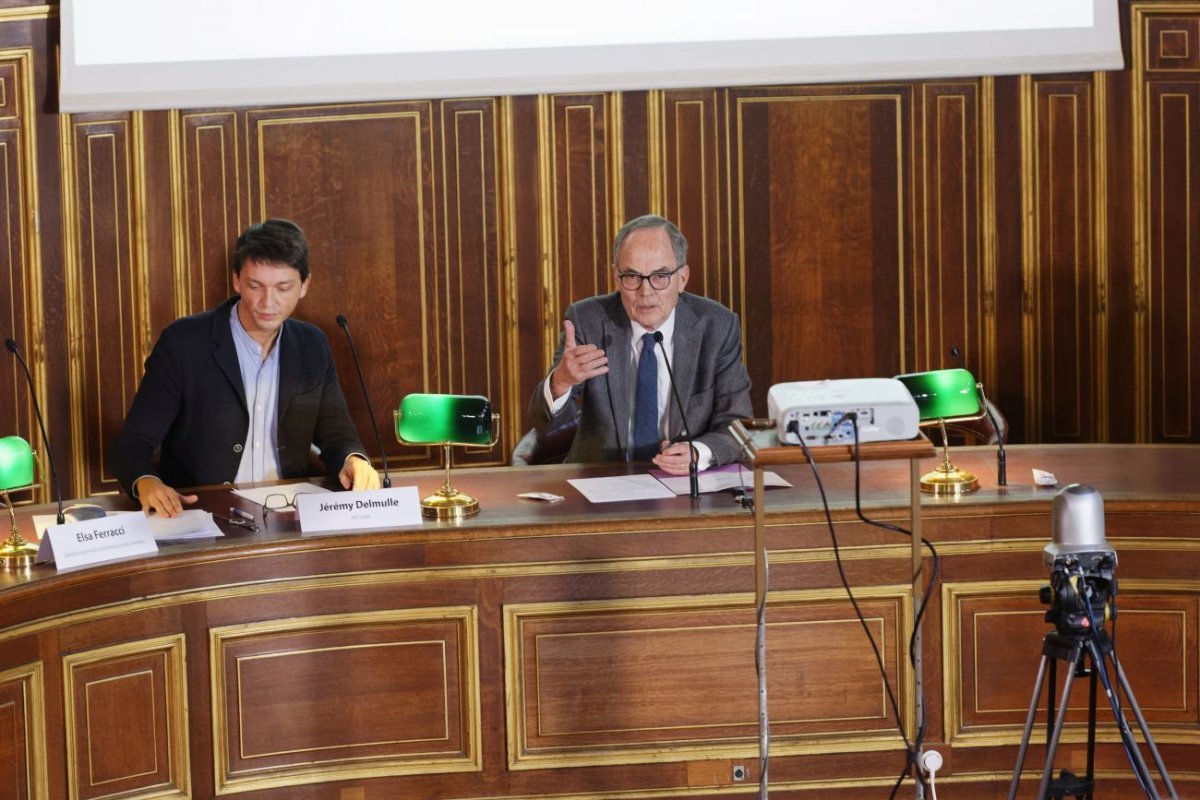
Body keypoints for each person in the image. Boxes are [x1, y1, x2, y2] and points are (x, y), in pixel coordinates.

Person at [110, 219, 380, 517]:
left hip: (290, 514)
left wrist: (354, 459)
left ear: (304, 285)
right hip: (205, 515)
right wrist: (147, 482)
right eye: (255, 286)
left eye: (283, 288)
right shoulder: (183, 343)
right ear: (237, 281)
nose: (268, 302)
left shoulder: (311, 345)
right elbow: (133, 443)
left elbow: (337, 436)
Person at [528, 214, 753, 475]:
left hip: (684, 485)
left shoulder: (717, 326)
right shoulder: (586, 320)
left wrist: (699, 451)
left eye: (660, 276)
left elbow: (738, 426)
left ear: (682, 278)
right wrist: (561, 382)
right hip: (600, 484)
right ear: (616, 276)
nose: (645, 292)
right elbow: (542, 423)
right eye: (632, 276)